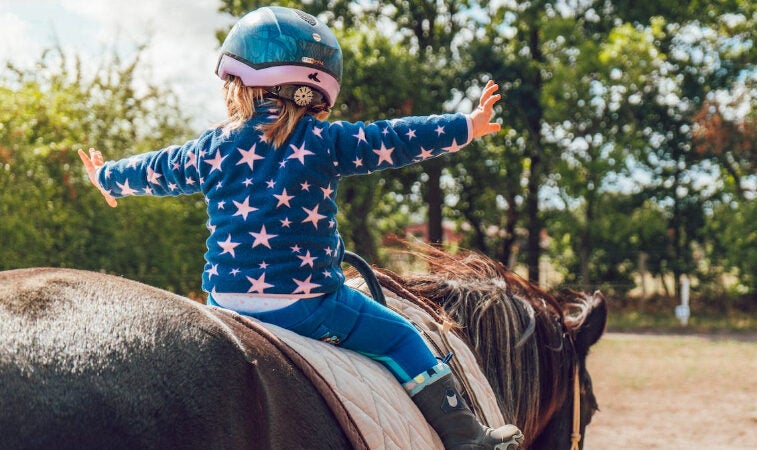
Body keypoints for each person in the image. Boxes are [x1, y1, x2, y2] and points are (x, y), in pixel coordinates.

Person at [79, 6, 522, 449]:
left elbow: (158, 167)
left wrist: (108, 177)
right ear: (317, 92)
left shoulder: (210, 149)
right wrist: (466, 126)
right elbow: (394, 139)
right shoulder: (325, 142)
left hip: (223, 303)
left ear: (237, 85)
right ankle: (470, 440)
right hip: (307, 305)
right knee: (403, 338)